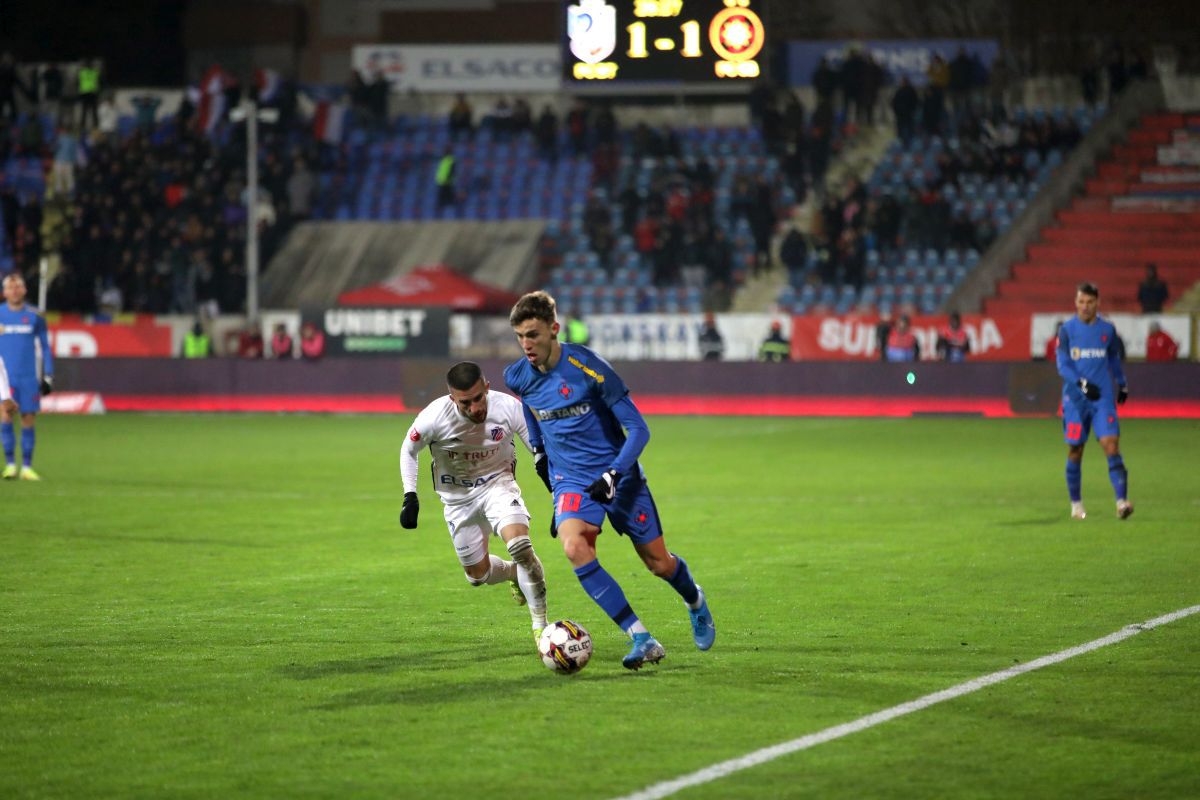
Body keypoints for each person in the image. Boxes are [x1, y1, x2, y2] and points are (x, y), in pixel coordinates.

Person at [505, 291, 715, 670]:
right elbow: (529, 407)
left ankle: (695, 601)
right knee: (574, 547)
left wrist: (613, 473)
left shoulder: (590, 368)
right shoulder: (518, 375)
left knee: (658, 564)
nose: (526, 345)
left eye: (533, 335)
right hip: (572, 481)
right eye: (520, 336)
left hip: (620, 475)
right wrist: (537, 451)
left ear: (554, 329)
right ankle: (641, 637)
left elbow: (638, 429)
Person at [399, 361, 549, 642]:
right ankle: (514, 575)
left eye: (479, 398)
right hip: (458, 502)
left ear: (487, 388)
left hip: (499, 487)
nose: (475, 407)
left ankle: (541, 628)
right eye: (465, 402)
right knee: (477, 576)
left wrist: (557, 490)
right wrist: (410, 495)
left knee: (520, 546)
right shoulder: (433, 418)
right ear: (452, 398)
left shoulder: (509, 408)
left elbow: (539, 450)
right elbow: (409, 450)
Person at [1056, 282, 1131, 521]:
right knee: (1076, 449)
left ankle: (1121, 502)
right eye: (1081, 302)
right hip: (1075, 400)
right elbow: (1063, 365)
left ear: (1097, 302)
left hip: (1101, 398)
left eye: (1089, 302)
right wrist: (1081, 384)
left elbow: (1113, 359)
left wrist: (1122, 382)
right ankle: (1076, 505)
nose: (1085, 307)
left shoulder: (1107, 330)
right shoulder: (1066, 330)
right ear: (1075, 303)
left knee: (1111, 445)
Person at [0, 274, 54, 480]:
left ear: (24, 290)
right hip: (5, 378)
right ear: (4, 292)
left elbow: (45, 347)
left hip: (28, 377)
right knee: (5, 416)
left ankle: (27, 467)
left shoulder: (35, 315)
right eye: (10, 287)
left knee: (28, 419)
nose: (14, 291)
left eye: (18, 287)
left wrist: (48, 375)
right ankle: (10, 464)